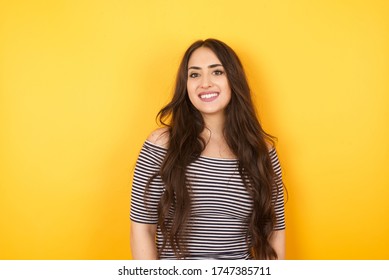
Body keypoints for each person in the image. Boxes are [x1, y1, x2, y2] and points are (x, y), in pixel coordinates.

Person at [130, 38, 286, 260]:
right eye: (194, 74)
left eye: (217, 72)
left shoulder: (262, 150)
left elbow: (274, 231)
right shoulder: (161, 145)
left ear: (234, 79)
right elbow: (142, 229)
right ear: (186, 85)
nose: (205, 83)